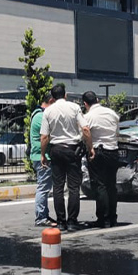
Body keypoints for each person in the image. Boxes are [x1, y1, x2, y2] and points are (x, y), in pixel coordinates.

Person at [40, 84, 91, 232]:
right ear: (65, 95)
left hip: (56, 149)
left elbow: (44, 136)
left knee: (58, 187)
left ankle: (61, 221)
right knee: (74, 187)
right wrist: (90, 147)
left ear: (52, 97)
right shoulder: (74, 108)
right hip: (72, 150)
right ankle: (72, 221)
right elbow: (86, 128)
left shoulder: (48, 111)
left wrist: (43, 155)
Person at [82, 91, 120, 228]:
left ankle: (103, 218)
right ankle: (113, 217)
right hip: (113, 151)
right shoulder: (112, 113)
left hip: (98, 151)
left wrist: (90, 147)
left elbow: (85, 132)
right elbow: (117, 133)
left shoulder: (88, 116)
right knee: (111, 185)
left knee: (100, 185)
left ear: (85, 104)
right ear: (97, 100)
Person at [30, 95, 56, 227]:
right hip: (42, 156)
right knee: (43, 188)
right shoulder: (40, 116)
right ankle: (40, 217)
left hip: (41, 156)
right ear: (51, 101)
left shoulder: (39, 115)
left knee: (45, 187)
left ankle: (44, 214)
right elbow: (45, 136)